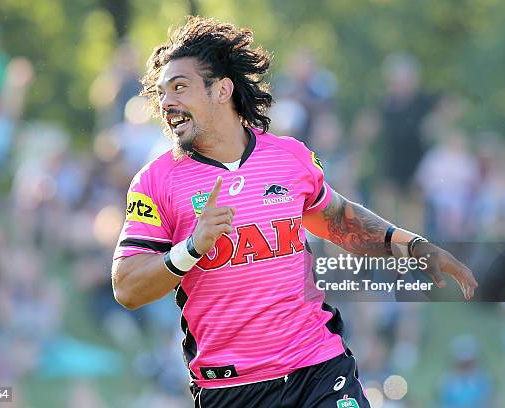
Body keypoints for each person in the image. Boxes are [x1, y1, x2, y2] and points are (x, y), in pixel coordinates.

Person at [111, 17, 478, 408]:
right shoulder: (155, 181)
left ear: (222, 90)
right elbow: (127, 288)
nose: (167, 101)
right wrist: (192, 248)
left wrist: (414, 246)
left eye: (180, 87)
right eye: (163, 92)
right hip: (231, 388)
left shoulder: (290, 157)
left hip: (318, 368)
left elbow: (341, 221)